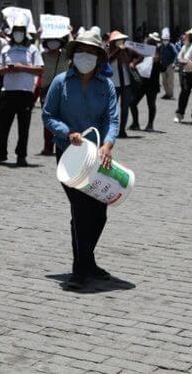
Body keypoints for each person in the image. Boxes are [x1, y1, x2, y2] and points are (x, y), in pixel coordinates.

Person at [42, 29, 119, 290]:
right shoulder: (60, 82)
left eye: (91, 52)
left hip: (97, 156)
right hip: (69, 155)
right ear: (73, 55)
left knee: (99, 213)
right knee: (81, 210)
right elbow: (48, 115)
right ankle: (80, 269)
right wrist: (67, 133)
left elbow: (112, 119)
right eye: (81, 52)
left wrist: (108, 144)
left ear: (99, 57)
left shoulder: (105, 85)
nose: (86, 57)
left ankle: (88, 261)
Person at [0, 21, 43, 166]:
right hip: (7, 92)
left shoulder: (32, 49)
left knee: (23, 127)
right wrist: (8, 69)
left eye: (21, 31)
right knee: (2, 125)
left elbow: (39, 70)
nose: (18, 34)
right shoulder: (6, 48)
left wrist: (22, 67)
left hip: (25, 93)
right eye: (16, 31)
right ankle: (0, 154)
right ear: (12, 33)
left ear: (24, 33)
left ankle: (21, 156)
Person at [39, 33, 70, 155]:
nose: (53, 42)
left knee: (63, 119)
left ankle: (62, 144)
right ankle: (48, 146)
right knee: (48, 120)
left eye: (55, 40)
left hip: (64, 91)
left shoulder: (66, 55)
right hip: (46, 91)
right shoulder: (42, 56)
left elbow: (74, 48)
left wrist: (70, 33)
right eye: (50, 40)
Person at [107, 31, 142, 137]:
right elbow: (108, 60)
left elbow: (140, 56)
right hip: (113, 84)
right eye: (118, 40)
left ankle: (122, 130)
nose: (120, 42)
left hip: (126, 84)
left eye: (121, 40)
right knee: (112, 108)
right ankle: (111, 129)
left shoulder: (127, 50)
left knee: (125, 107)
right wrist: (118, 50)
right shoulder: (108, 50)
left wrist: (133, 63)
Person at [130, 33, 161, 131]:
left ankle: (150, 125)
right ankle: (135, 123)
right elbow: (135, 63)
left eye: (145, 44)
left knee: (151, 105)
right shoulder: (143, 55)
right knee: (132, 102)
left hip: (152, 85)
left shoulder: (156, 55)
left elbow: (163, 68)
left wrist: (157, 61)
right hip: (142, 84)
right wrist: (133, 63)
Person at [158, 31, 179, 99]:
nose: (165, 41)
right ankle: (166, 93)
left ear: (168, 40)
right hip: (163, 65)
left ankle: (170, 94)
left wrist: (174, 63)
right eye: (164, 39)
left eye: (166, 39)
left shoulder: (171, 46)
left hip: (170, 65)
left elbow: (176, 54)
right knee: (164, 81)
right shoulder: (161, 46)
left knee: (170, 81)